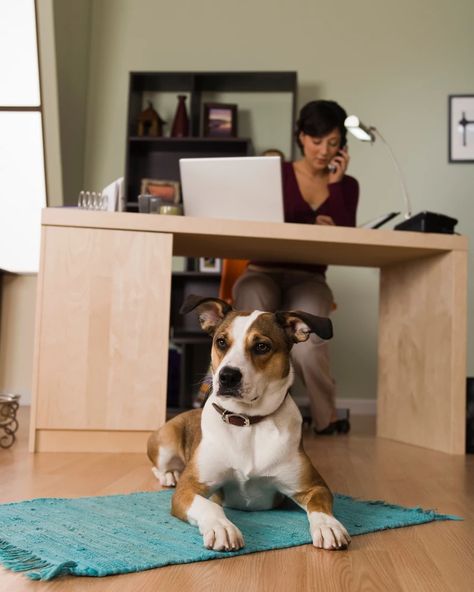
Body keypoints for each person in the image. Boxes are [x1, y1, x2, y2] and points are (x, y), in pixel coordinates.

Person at [232, 100, 359, 434]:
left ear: (342, 146)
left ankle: (325, 419)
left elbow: (347, 236)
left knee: (310, 340)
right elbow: (254, 218)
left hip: (310, 276)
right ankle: (243, 408)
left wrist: (336, 186)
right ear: (301, 137)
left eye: (333, 143)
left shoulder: (347, 185)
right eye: (317, 141)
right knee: (252, 318)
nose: (323, 150)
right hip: (263, 270)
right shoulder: (277, 173)